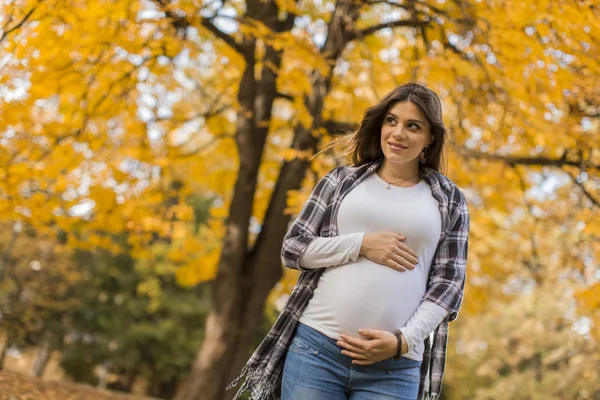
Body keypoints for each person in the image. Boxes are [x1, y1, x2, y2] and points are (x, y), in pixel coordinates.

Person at [227, 82, 470, 400]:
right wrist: (361, 243)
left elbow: (448, 286)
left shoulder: (449, 199)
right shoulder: (341, 182)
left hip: (394, 369)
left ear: (430, 138)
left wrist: (403, 341)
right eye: (392, 121)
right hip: (316, 351)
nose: (398, 133)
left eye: (413, 126)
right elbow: (294, 249)